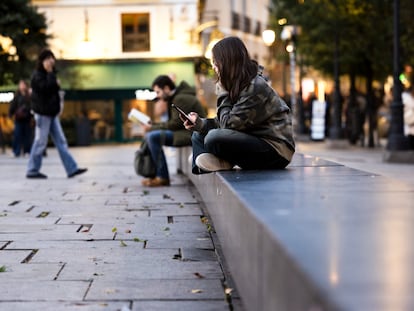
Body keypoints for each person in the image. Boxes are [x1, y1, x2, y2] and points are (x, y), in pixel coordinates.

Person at [183, 36, 295, 174]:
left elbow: (228, 125)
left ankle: (216, 160)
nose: (214, 67)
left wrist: (223, 91)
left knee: (214, 137)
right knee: (197, 134)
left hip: (276, 150)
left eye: (215, 62)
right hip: (253, 140)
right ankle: (211, 161)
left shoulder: (255, 87)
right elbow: (230, 122)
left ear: (227, 61)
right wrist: (199, 123)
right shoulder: (239, 84)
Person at [26, 49, 87, 179]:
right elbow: (45, 90)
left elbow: (53, 91)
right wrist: (50, 76)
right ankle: (32, 170)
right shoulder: (37, 76)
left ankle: (72, 169)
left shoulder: (51, 75)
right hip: (42, 115)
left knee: (61, 141)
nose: (50, 61)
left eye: (51, 58)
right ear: (42, 61)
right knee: (40, 142)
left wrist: (52, 78)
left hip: (52, 114)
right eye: (47, 59)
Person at [140, 75, 206, 187]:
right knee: (151, 136)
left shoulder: (180, 98)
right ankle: (154, 175)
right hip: (185, 131)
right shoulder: (177, 97)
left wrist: (152, 127)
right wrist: (153, 126)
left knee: (153, 137)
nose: (158, 95)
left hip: (192, 133)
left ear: (166, 88)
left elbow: (175, 124)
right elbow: (174, 123)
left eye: (158, 92)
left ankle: (162, 177)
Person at [8, 79, 33, 157]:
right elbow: (12, 106)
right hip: (18, 119)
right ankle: (16, 151)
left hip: (27, 119)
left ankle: (27, 151)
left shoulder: (29, 95)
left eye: (23, 84)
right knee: (17, 135)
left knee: (27, 136)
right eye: (20, 85)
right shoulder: (17, 96)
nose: (22, 86)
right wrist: (10, 114)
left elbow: (33, 106)